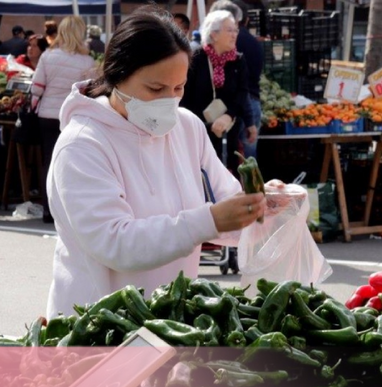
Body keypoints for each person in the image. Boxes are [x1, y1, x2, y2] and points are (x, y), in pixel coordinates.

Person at [45, 8, 270, 318]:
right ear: (117, 76)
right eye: (156, 89)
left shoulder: (187, 126)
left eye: (178, 88)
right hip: (99, 326)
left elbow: (226, 198)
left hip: (170, 321)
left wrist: (263, 206)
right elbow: (114, 243)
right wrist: (209, 221)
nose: (169, 101)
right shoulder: (82, 144)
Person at [31, 15, 96, 224]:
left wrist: (32, 108)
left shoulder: (48, 56)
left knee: (48, 161)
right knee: (71, 163)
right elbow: (89, 92)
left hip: (47, 116)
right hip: (73, 117)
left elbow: (36, 87)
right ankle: (67, 211)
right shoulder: (88, 61)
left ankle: (48, 210)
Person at [181, 10, 256, 176]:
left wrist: (229, 116)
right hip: (198, 131)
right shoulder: (196, 58)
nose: (234, 34)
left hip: (229, 130)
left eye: (235, 30)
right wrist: (202, 125)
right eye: (229, 30)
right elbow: (185, 98)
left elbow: (242, 93)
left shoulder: (238, 60)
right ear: (214, 34)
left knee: (229, 174)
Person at [218, 0, 264, 158]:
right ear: (247, 20)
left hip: (237, 103)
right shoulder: (254, 43)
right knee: (249, 157)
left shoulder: (230, 44)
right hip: (253, 101)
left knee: (231, 153)